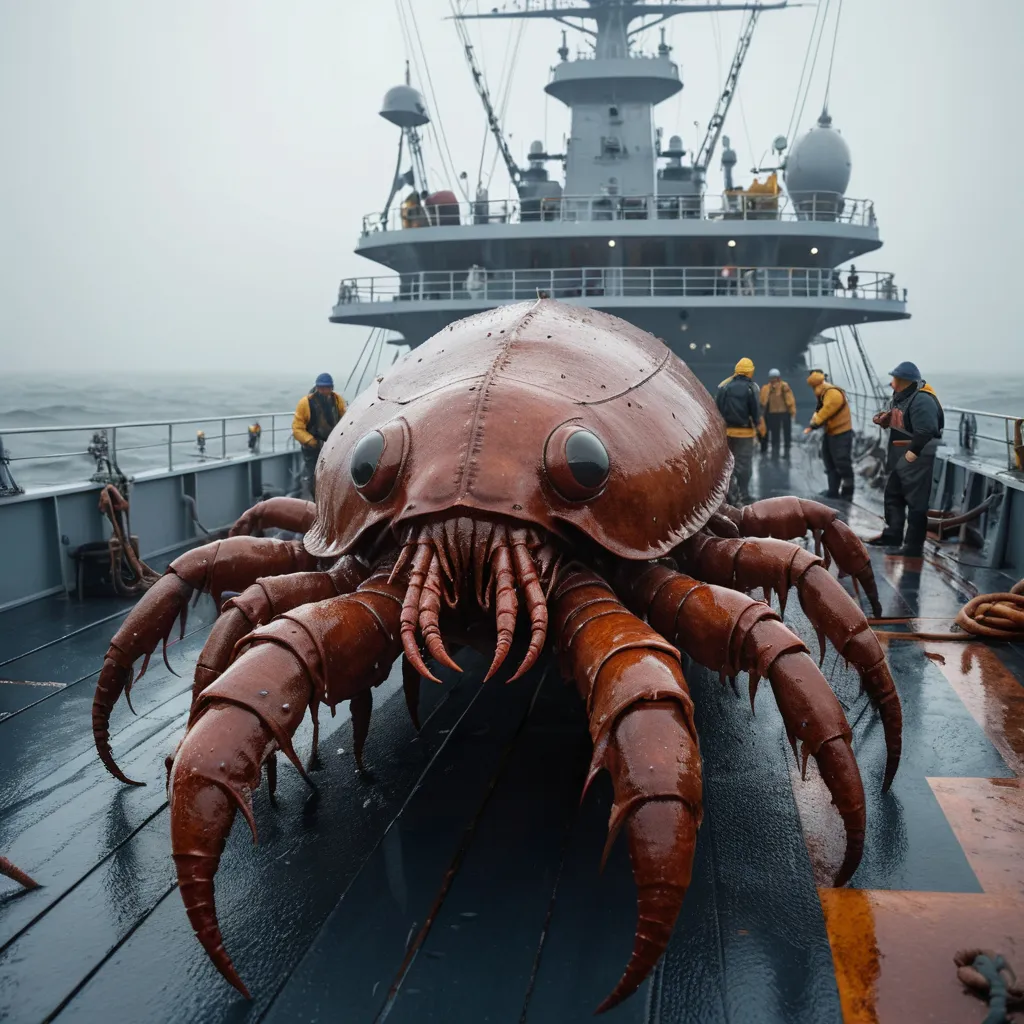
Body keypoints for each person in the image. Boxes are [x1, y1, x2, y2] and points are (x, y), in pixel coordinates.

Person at [868, 361, 944, 556]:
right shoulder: (901, 397)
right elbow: (898, 420)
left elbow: (926, 429)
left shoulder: (923, 400)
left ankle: (913, 547)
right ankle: (893, 534)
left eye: (895, 379)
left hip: (917, 455)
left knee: (916, 501)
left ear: (904, 381)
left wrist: (911, 454)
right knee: (893, 495)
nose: (892, 382)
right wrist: (883, 419)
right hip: (899, 453)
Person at [293, 373, 347, 500]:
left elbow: (344, 419)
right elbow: (297, 428)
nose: (323, 390)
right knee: (313, 476)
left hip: (333, 446)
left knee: (335, 474)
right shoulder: (305, 403)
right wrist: (312, 442)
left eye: (326, 387)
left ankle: (332, 500)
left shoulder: (338, 400)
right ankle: (315, 502)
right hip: (313, 448)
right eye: (321, 387)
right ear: (316, 387)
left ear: (331, 388)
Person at [716, 357, 761, 505]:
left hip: (728, 433)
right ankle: (745, 495)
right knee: (744, 464)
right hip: (745, 433)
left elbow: (718, 408)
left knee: (729, 464)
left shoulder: (724, 386)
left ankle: (730, 495)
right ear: (750, 371)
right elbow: (755, 411)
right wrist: (758, 428)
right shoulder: (751, 388)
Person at [803, 370, 854, 499]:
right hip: (830, 432)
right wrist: (815, 420)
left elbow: (826, 411)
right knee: (829, 461)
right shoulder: (823, 394)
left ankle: (848, 491)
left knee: (842, 461)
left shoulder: (832, 393)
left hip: (842, 432)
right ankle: (833, 490)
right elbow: (820, 409)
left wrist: (814, 424)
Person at [759, 368, 797, 458]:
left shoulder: (783, 386)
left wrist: (792, 411)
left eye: (774, 378)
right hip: (775, 413)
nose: (773, 380)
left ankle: (785, 449)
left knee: (784, 432)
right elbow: (763, 401)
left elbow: (789, 399)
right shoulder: (767, 388)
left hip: (782, 413)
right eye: (772, 378)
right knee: (777, 433)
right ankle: (777, 449)